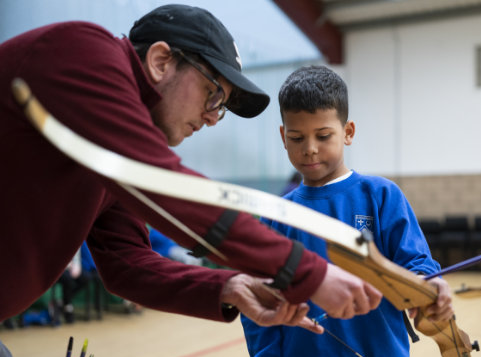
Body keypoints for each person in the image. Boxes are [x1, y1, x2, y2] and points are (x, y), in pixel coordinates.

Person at [0, 5, 383, 338]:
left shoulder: (118, 148)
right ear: (161, 61)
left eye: (222, 107)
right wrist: (308, 273)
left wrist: (229, 286)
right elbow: (173, 191)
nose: (213, 118)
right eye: (213, 94)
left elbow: (126, 263)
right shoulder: (82, 50)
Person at [241, 65, 455, 357]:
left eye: (323, 135)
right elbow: (260, 303)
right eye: (296, 138)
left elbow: (416, 263)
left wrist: (428, 286)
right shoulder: (275, 215)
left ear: (348, 131)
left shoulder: (381, 196)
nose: (309, 149)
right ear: (282, 135)